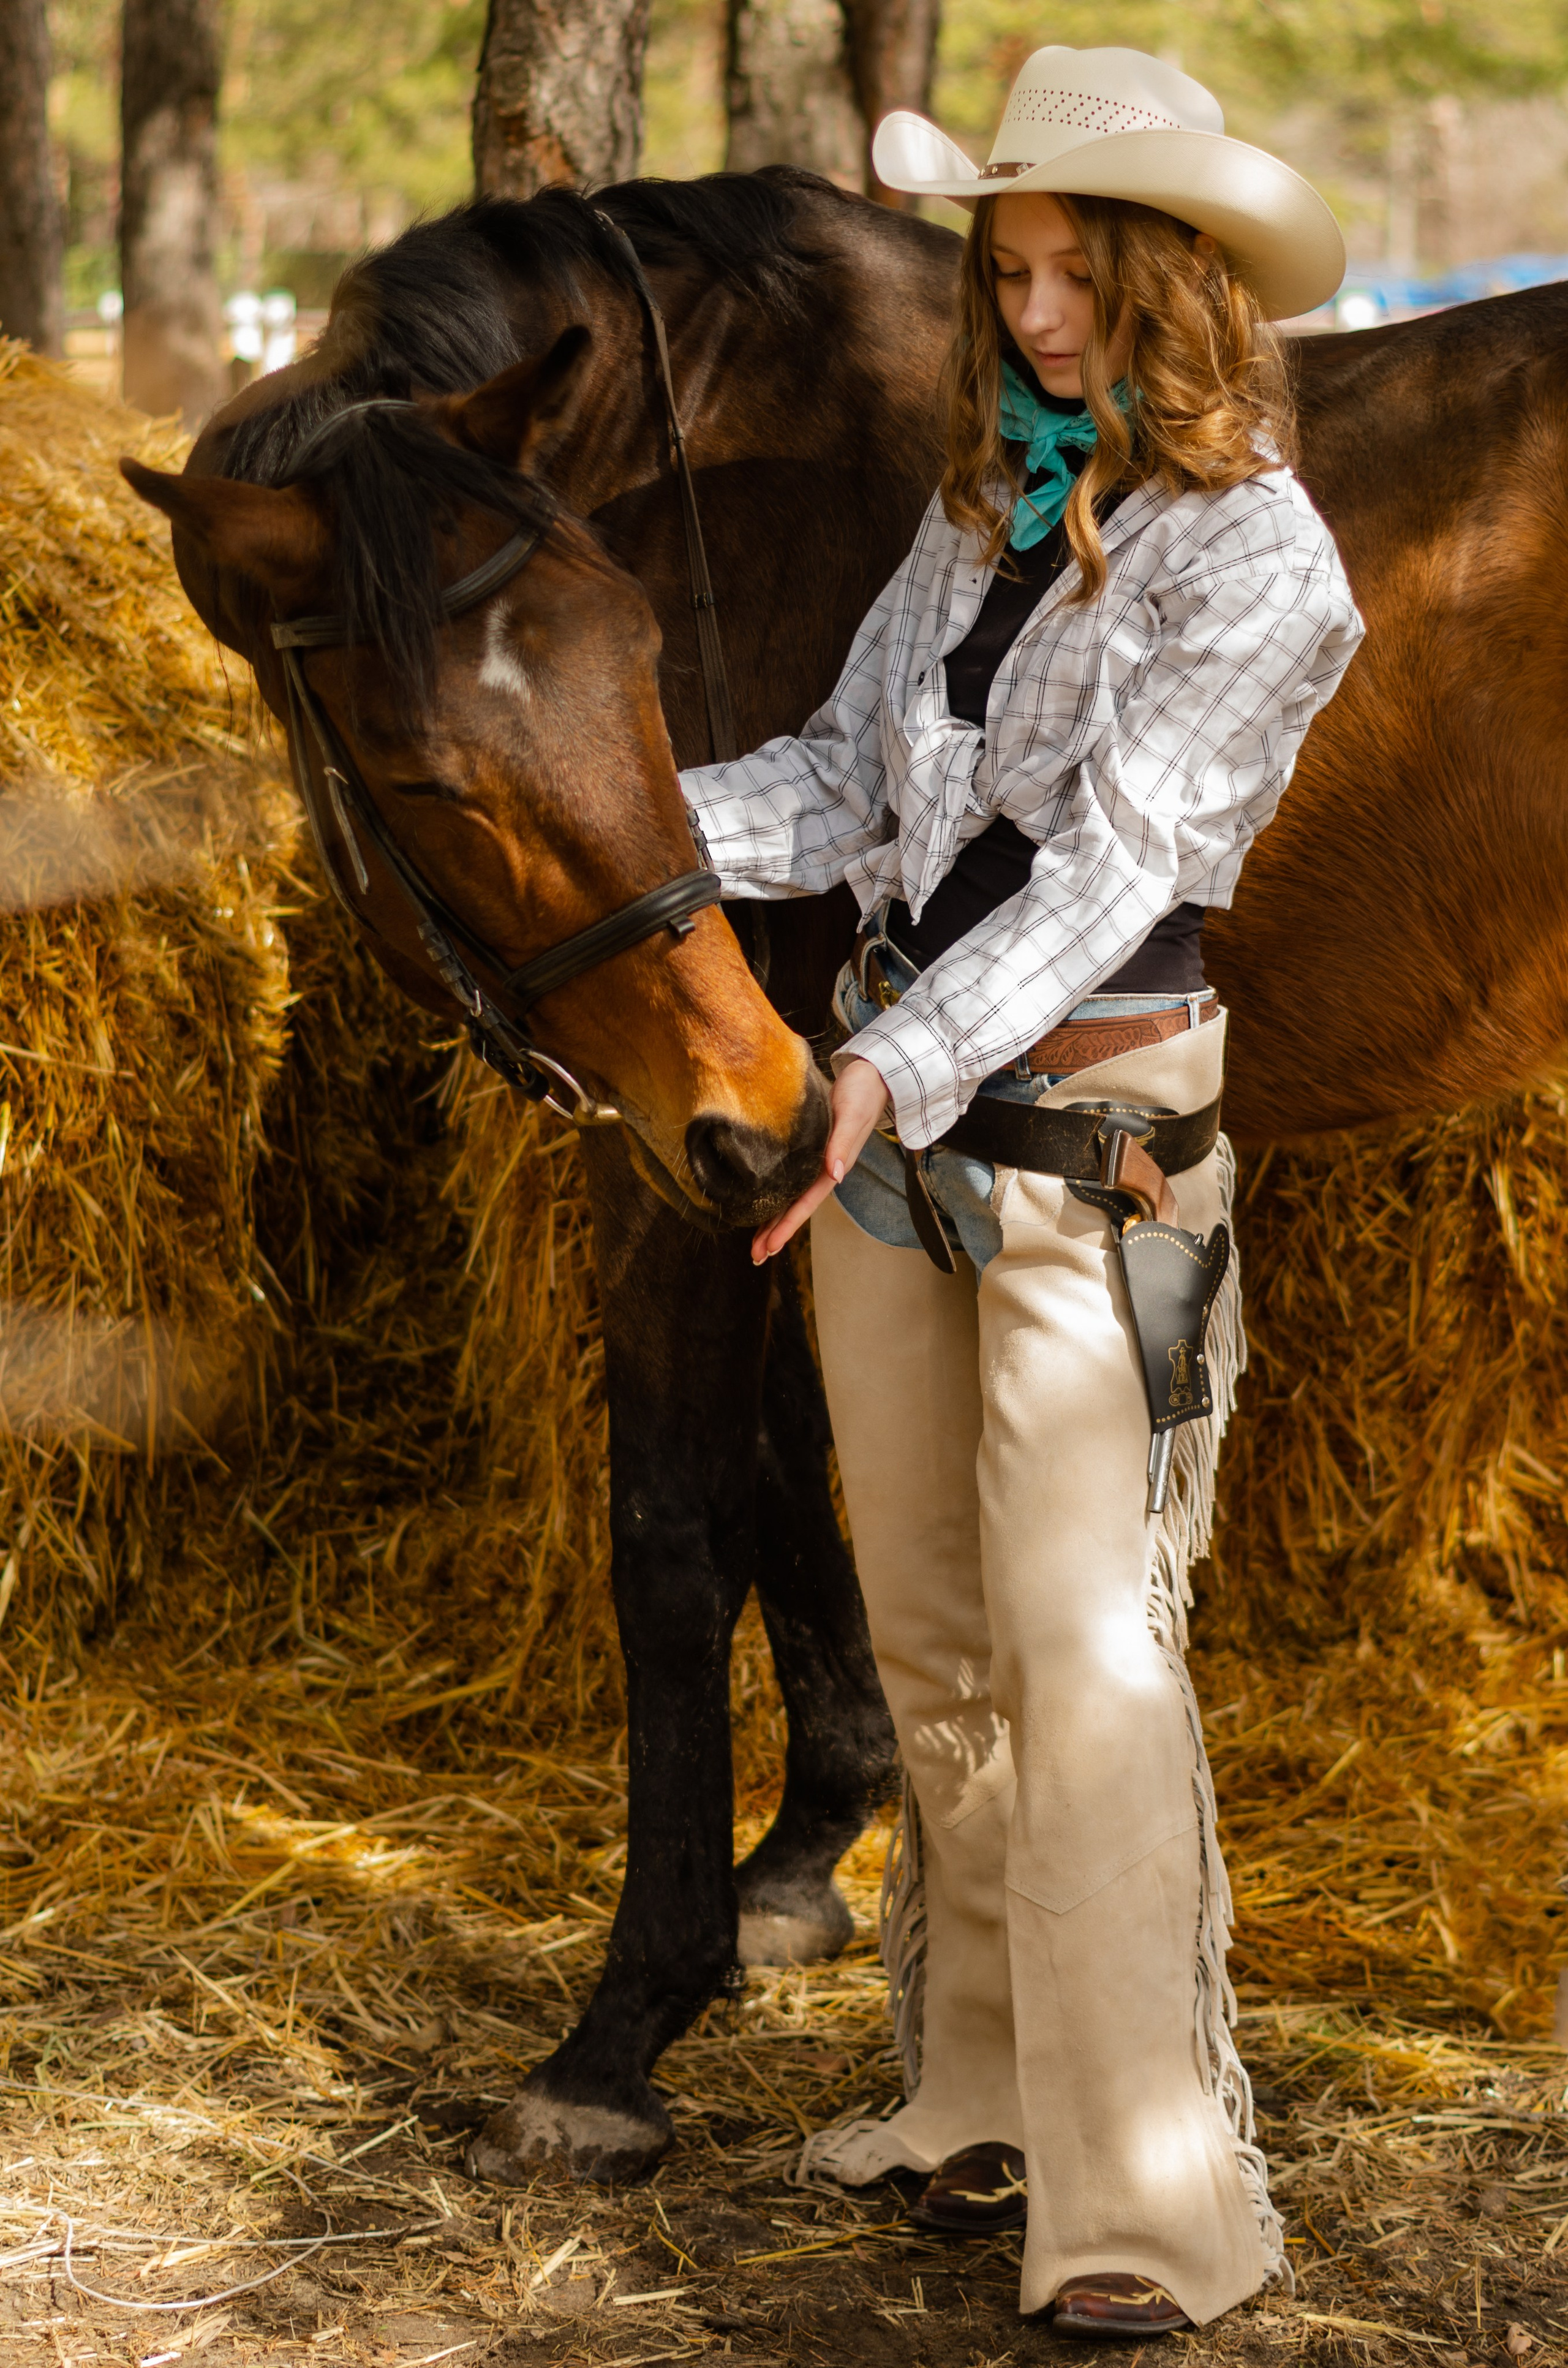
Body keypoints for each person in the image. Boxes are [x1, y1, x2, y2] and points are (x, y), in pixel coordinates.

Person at [679, 45, 1363, 2339]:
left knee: (1089, 1663)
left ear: (1182, 280)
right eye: (1014, 272)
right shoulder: (979, 507)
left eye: (1080, 274)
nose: (1041, 317)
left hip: (1082, 1133)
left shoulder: (1265, 556)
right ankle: (976, 2091)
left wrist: (882, 1054)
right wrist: (626, 829)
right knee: (942, 1645)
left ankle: (1153, 2197)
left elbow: (1115, 870)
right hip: (900, 1146)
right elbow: (840, 780)